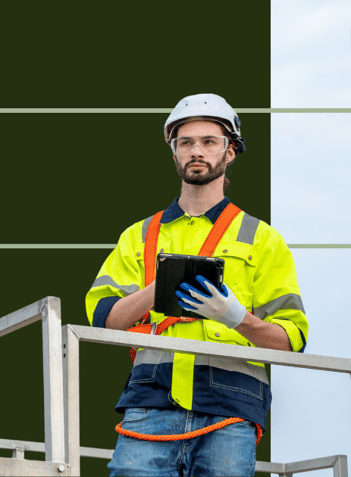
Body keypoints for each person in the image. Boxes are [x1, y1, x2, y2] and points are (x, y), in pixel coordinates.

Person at [85, 93, 309, 476]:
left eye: (209, 141)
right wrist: (158, 288)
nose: (196, 151)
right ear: (174, 151)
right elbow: (104, 320)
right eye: (185, 142)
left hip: (231, 405)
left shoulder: (263, 240)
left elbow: (292, 341)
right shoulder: (140, 235)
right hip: (151, 400)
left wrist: (238, 318)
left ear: (230, 151)